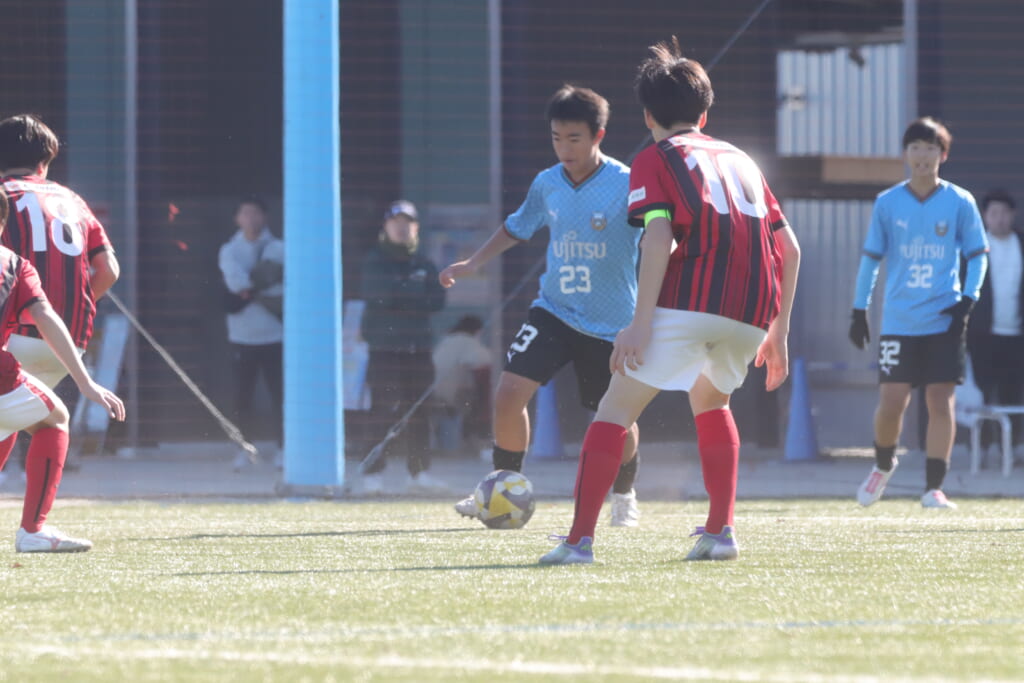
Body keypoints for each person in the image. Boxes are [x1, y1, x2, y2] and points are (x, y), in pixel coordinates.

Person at [539, 38, 800, 565]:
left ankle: (579, 541)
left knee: (614, 409)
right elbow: (789, 248)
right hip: (752, 310)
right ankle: (721, 532)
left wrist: (639, 325)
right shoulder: (743, 160)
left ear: (647, 115)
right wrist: (779, 331)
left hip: (690, 300)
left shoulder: (653, 158)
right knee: (713, 401)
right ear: (704, 113)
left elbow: (657, 238)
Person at [440, 84, 644, 528]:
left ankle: (624, 494)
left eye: (574, 138)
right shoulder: (547, 183)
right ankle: (501, 489)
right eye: (556, 138)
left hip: (610, 324)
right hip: (553, 310)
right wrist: (473, 262)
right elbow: (517, 226)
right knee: (509, 393)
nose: (564, 148)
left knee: (614, 416)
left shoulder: (628, 184)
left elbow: (664, 237)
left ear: (598, 135)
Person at [849, 117, 989, 509]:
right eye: (915, 147)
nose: (922, 155)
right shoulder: (888, 202)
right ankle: (882, 463)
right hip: (900, 320)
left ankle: (934, 488)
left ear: (943, 154)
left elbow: (978, 255)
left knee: (940, 401)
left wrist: (968, 299)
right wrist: (859, 310)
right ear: (905, 154)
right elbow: (871, 260)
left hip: (945, 318)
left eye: (930, 148)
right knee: (892, 401)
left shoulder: (960, 201)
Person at [0, 188, 126, 552]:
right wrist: (85, 382)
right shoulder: (14, 265)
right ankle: (33, 530)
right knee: (54, 418)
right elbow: (46, 317)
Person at [0, 114, 121, 480]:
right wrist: (66, 314)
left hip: (12, 333)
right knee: (15, 415)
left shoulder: (4, 195)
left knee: (9, 410)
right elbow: (109, 270)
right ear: (45, 161)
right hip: (68, 341)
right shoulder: (73, 200)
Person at [360, 199, 447, 493]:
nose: (402, 228)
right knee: (383, 409)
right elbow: (380, 296)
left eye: (407, 223)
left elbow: (437, 300)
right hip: (384, 350)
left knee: (420, 410)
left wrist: (402, 294)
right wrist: (413, 293)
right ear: (385, 226)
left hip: (418, 348)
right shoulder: (375, 260)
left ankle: (419, 473)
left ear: (416, 228)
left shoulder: (424, 263)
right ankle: (372, 474)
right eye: (396, 222)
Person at [218, 197, 284, 470]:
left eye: (256, 213)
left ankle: (284, 448)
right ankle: (244, 449)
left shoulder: (279, 248)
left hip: (276, 335)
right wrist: (261, 285)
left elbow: (282, 287)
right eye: (245, 213)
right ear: (237, 218)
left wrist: (250, 289)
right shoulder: (229, 250)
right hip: (241, 336)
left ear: (264, 217)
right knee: (242, 396)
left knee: (281, 395)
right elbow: (236, 283)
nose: (251, 218)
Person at [965, 190, 1024, 462]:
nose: (1000, 218)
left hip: (1017, 334)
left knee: (1014, 391)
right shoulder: (974, 248)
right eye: (994, 213)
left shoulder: (1020, 244)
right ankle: (983, 447)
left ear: (1013, 215)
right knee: (984, 392)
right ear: (985, 216)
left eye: (1004, 213)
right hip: (983, 334)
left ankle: (1013, 447)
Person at [431, 314, 492, 451]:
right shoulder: (468, 342)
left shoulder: (446, 341)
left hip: (434, 393)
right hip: (451, 395)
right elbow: (485, 360)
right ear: (478, 331)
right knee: (480, 395)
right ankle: (475, 439)